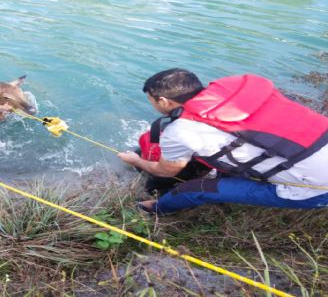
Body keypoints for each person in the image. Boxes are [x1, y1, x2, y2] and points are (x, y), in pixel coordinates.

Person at [118, 68, 328, 214]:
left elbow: (165, 171)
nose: (153, 106)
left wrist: (135, 160)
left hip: (314, 191)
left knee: (194, 189)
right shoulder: (237, 95)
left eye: (151, 101)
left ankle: (154, 209)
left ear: (163, 101)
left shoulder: (180, 130)